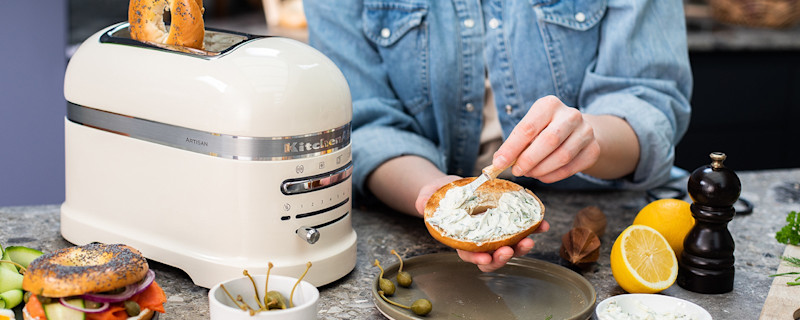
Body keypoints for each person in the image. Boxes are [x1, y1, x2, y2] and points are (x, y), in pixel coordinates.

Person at [303, 0, 692, 272]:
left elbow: (651, 101)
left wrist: (590, 140)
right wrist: (437, 195)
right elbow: (364, 123)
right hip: (409, 202)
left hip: (607, 211)